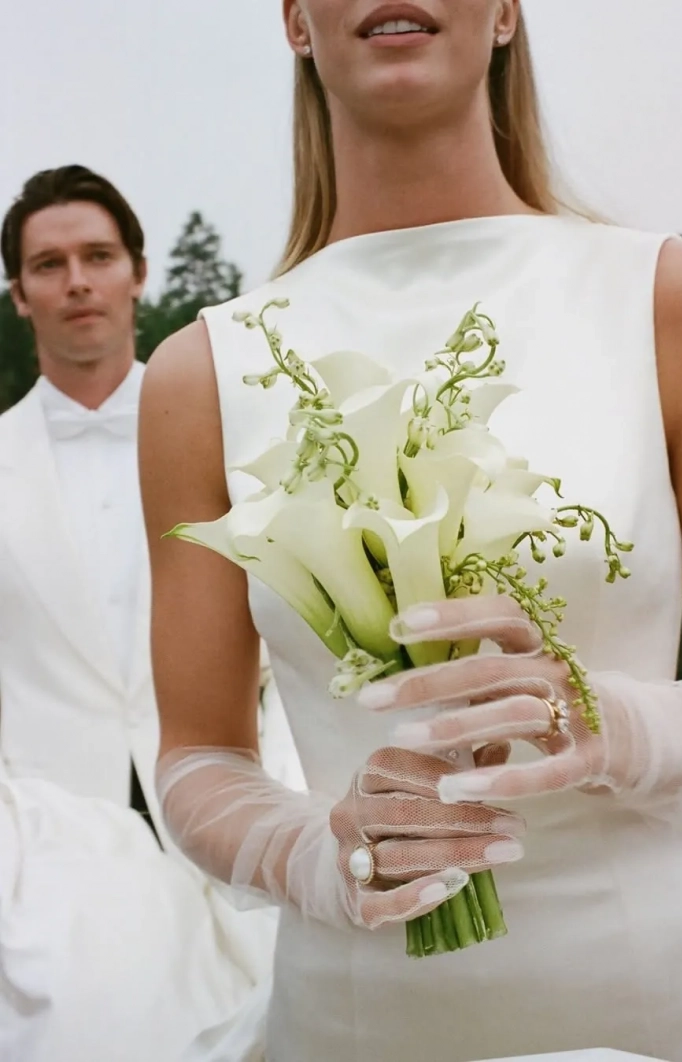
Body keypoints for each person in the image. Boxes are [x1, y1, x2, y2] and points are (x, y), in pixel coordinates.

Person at [140, 4, 682, 1061]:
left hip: (658, 1008)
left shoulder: (669, 299)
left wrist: (613, 723)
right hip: (354, 1023)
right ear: (295, 20)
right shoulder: (201, 373)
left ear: (507, 11)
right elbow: (198, 757)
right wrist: (323, 857)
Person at [0, 165, 290, 1062]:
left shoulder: (242, 442)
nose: (77, 281)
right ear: (19, 295)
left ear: (139, 273)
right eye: (48, 265)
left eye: (98, 256)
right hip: (48, 828)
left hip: (249, 790)